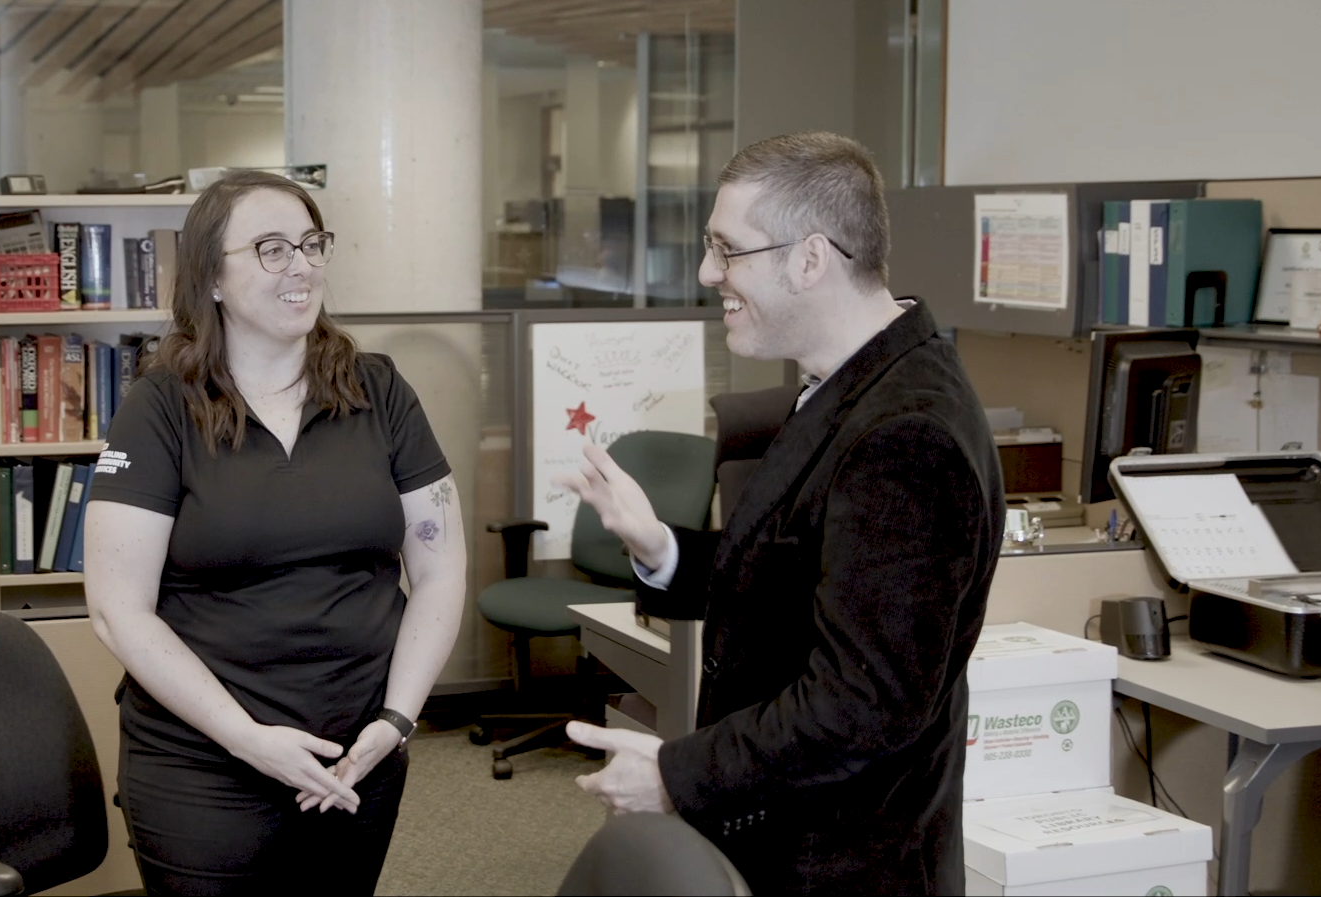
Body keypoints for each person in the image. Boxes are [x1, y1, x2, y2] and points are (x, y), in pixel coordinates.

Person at [557, 131, 1003, 894]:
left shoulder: (907, 435)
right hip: (787, 832)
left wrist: (675, 774)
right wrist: (659, 546)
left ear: (809, 258)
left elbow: (861, 705)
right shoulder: (847, 381)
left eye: (729, 250)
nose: (707, 273)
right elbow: (794, 579)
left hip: (844, 861)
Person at [81, 170, 467, 895]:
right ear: (212, 280)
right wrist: (247, 739)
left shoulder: (379, 390)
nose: (303, 265)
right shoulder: (161, 407)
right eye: (271, 248)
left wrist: (397, 719)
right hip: (206, 762)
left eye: (311, 243)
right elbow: (116, 608)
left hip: (358, 753)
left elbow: (440, 570)